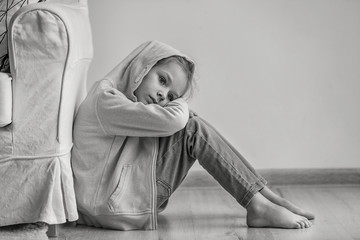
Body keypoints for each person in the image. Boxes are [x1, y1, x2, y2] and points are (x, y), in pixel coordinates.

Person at [71, 40, 315, 231]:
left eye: (170, 96)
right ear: (142, 66)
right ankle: (259, 202)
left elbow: (174, 119)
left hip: (117, 202)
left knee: (191, 126)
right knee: (191, 128)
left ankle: (263, 197)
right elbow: (177, 119)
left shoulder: (123, 104)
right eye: (162, 80)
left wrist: (182, 113)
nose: (161, 96)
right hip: (111, 208)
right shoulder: (106, 101)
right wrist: (182, 109)